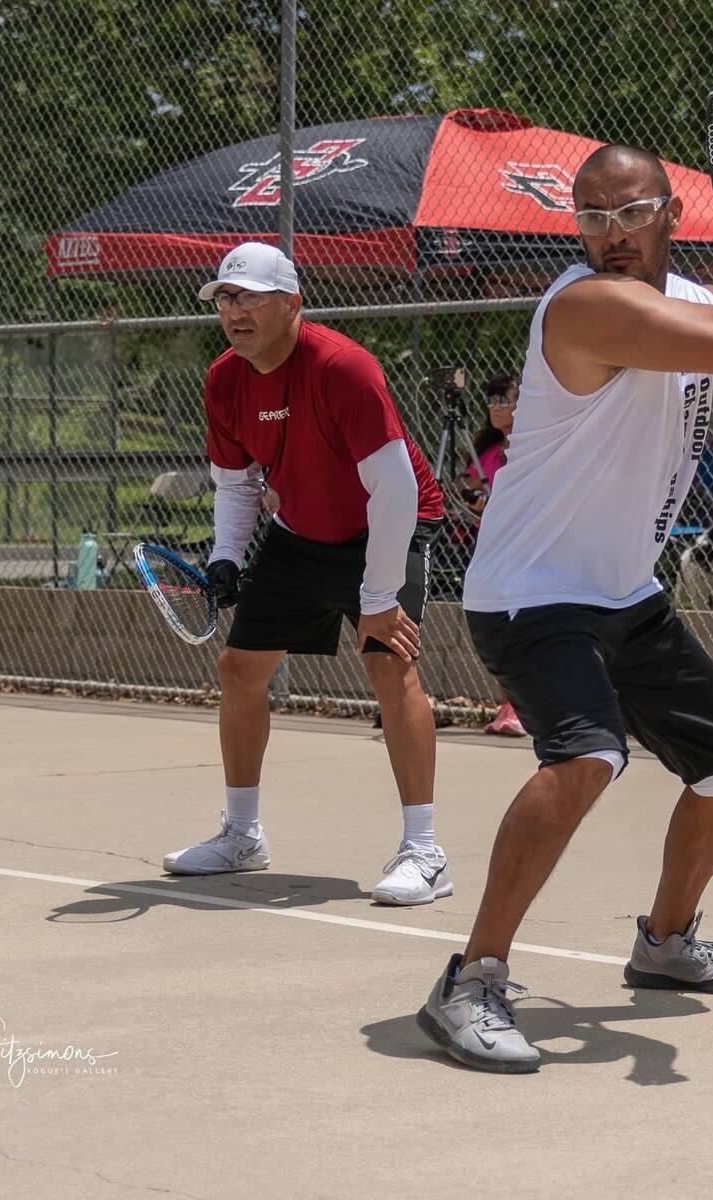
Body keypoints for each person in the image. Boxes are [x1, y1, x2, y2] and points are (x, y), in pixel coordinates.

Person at [415, 144, 713, 1073]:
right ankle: (471, 979)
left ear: (669, 214)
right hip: (532, 590)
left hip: (624, 590)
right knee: (587, 756)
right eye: (591, 217)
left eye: (629, 214)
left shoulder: (692, 301)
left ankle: (664, 942)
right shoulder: (585, 305)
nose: (609, 235)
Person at [161, 242, 453, 906]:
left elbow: (396, 491)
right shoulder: (224, 380)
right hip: (300, 532)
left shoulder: (344, 368)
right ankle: (241, 836)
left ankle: (425, 851)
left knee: (389, 662)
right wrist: (226, 559)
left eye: (249, 299)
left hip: (390, 521)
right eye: (225, 300)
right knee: (239, 669)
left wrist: (379, 597)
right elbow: (236, 486)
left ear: (291, 304)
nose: (234, 312)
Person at [468, 373, 526, 737]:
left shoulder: (533, 445)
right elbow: (470, 491)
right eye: (491, 400)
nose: (495, 408)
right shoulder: (486, 452)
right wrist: (475, 497)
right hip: (494, 551)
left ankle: (525, 707)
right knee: (501, 629)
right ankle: (510, 707)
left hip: (529, 547)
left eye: (504, 400)